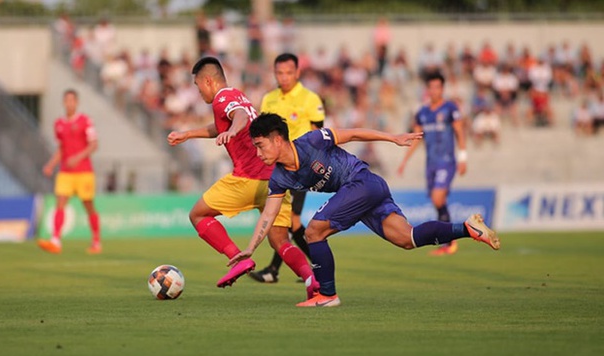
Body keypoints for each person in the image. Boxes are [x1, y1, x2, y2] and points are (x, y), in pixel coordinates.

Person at [227, 113, 500, 307]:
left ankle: (328, 295)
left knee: (313, 231)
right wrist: (251, 247)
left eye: (260, 146)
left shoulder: (312, 141)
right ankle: (467, 228)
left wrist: (392, 138)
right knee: (407, 239)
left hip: (362, 182)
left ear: (277, 140)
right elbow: (269, 215)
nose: (258, 153)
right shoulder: (278, 178)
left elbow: (354, 132)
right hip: (363, 193)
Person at [166, 57, 318, 297]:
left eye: (197, 85)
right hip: (276, 179)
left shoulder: (223, 99)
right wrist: (188, 134)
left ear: (208, 81)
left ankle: (237, 260)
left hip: (247, 178)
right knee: (280, 241)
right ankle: (312, 280)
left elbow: (239, 118)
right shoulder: (238, 95)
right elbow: (224, 124)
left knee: (197, 214)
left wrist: (234, 131)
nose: (198, 91)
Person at [249, 53, 325, 284]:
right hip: (278, 169)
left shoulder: (310, 99)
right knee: (289, 222)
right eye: (279, 73)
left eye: (288, 72)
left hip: (301, 166)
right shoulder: (268, 99)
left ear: (297, 73)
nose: (284, 77)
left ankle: (287, 268)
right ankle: (293, 267)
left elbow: (318, 135)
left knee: (291, 220)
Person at [397, 72, 468, 256]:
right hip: (431, 164)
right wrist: (404, 161)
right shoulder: (422, 113)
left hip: (447, 162)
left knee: (438, 198)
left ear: (442, 88)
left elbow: (460, 132)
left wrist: (463, 157)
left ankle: (450, 242)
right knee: (438, 202)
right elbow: (416, 138)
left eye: (437, 87)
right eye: (431, 87)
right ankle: (447, 241)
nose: (434, 90)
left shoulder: (450, 108)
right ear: (427, 89)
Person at [38, 89, 101, 254]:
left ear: (77, 102)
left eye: (72, 100)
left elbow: (94, 144)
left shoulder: (85, 121)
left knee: (89, 206)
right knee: (60, 203)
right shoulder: (58, 124)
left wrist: (78, 158)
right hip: (65, 171)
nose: (69, 103)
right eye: (66, 100)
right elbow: (61, 148)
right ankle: (56, 240)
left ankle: (96, 240)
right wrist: (51, 165)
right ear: (63, 102)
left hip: (84, 171)